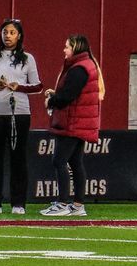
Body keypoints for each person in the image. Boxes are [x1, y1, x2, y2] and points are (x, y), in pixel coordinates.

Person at [0, 18, 40, 215]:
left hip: (19, 113)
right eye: (5, 32)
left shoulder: (27, 58)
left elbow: (38, 86)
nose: (8, 36)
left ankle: (18, 203)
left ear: (19, 35)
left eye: (12, 32)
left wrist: (17, 86)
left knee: (18, 158)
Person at [40, 33, 101, 218]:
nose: (64, 49)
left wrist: (52, 100)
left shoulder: (78, 69)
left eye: (67, 46)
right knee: (75, 163)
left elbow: (68, 96)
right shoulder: (88, 65)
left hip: (73, 122)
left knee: (59, 161)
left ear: (75, 48)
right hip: (81, 121)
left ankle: (63, 202)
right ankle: (78, 204)